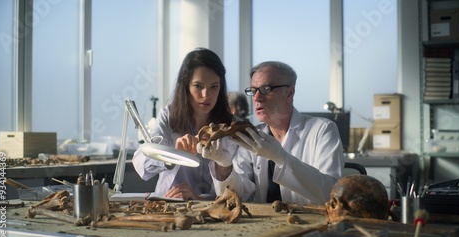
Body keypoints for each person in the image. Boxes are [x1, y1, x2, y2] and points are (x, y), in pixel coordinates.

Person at [198, 61, 344, 205]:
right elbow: (238, 196)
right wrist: (224, 165)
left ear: (289, 93)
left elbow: (331, 195)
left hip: (314, 225)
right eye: (253, 91)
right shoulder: (253, 134)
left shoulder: (322, 130)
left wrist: (281, 158)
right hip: (267, 227)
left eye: (266, 89)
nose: (256, 98)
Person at [132, 48, 237, 200]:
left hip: (214, 209)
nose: (205, 95)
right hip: (170, 205)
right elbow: (141, 162)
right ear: (186, 86)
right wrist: (172, 155)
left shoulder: (232, 126)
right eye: (198, 86)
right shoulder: (168, 117)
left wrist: (200, 199)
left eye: (213, 86)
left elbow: (242, 188)